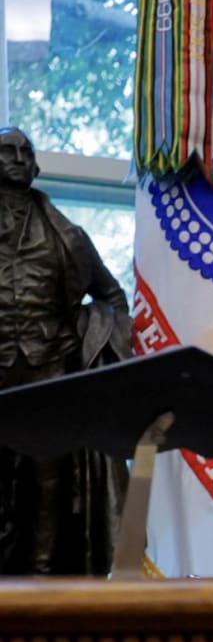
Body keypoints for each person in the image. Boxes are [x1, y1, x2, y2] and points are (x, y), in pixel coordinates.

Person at [0, 126, 131, 574]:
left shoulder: (67, 237)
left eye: (25, 151)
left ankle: (42, 590)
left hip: (49, 377)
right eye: (7, 151)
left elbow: (111, 296)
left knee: (48, 489)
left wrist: (100, 344)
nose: (18, 158)